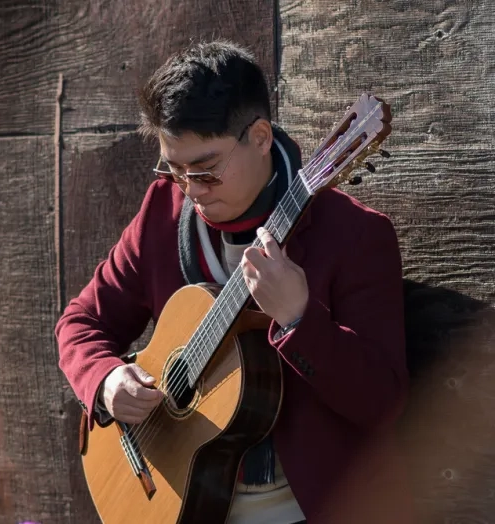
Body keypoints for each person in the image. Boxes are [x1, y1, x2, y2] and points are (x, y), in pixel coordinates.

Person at [55, 40, 413, 524]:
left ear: (261, 136)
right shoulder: (163, 213)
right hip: (185, 503)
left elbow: (382, 402)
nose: (190, 190)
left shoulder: (355, 235)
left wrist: (299, 320)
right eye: (174, 169)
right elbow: (82, 322)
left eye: (206, 170)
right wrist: (104, 379)